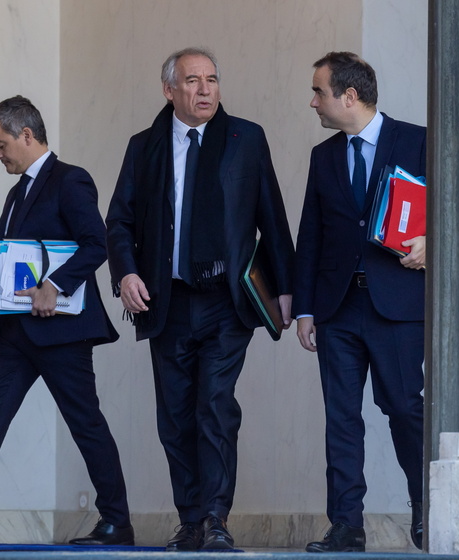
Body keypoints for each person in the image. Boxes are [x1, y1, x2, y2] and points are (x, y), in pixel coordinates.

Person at [106, 47, 294, 552]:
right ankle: (190, 519)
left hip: (225, 301)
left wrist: (287, 288)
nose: (206, 89)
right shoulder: (143, 146)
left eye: (212, 79)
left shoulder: (245, 138)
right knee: (175, 417)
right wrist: (124, 274)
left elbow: (270, 214)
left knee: (214, 405)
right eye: (193, 80)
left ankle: (215, 516)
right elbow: (119, 221)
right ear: (170, 90)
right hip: (165, 302)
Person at [0, 95, 133, 546]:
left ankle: (117, 523)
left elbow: (95, 244)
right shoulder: (17, 192)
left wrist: (56, 285)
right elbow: (21, 261)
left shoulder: (71, 180)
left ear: (26, 135)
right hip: (15, 333)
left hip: (62, 334)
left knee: (85, 423)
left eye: (0, 144)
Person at [293, 52, 426, 553]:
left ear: (349, 96)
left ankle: (425, 508)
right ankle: (346, 525)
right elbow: (312, 234)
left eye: (318, 92)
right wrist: (305, 308)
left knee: (403, 409)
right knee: (341, 417)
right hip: (337, 309)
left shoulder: (418, 140)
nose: (313, 102)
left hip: (396, 307)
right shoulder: (323, 156)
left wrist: (432, 240)